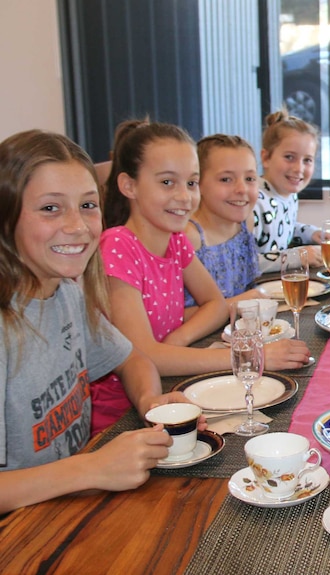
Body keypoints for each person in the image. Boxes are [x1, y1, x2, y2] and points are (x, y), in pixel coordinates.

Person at [0, 130, 197, 513]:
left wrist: (149, 401)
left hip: (69, 504)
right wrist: (91, 468)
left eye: (88, 205)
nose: (78, 226)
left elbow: (132, 358)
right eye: (51, 208)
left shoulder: (67, 293)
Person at [96, 122, 310, 433]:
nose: (184, 196)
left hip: (176, 381)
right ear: (128, 186)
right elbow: (146, 355)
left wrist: (178, 340)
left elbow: (214, 302)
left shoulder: (173, 240)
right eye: (168, 182)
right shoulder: (117, 246)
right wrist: (249, 356)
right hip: (127, 415)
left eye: (191, 183)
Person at [183, 134, 261, 309]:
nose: (242, 189)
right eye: (226, 179)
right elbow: (176, 318)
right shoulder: (190, 238)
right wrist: (237, 303)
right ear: (198, 183)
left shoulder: (245, 223)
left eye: (249, 179)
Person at [254, 110, 323, 271]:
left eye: (307, 160)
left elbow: (282, 227)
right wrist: (298, 257)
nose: (299, 168)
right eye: (289, 157)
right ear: (266, 158)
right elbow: (245, 264)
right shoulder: (254, 202)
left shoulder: (288, 195)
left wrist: (310, 233)